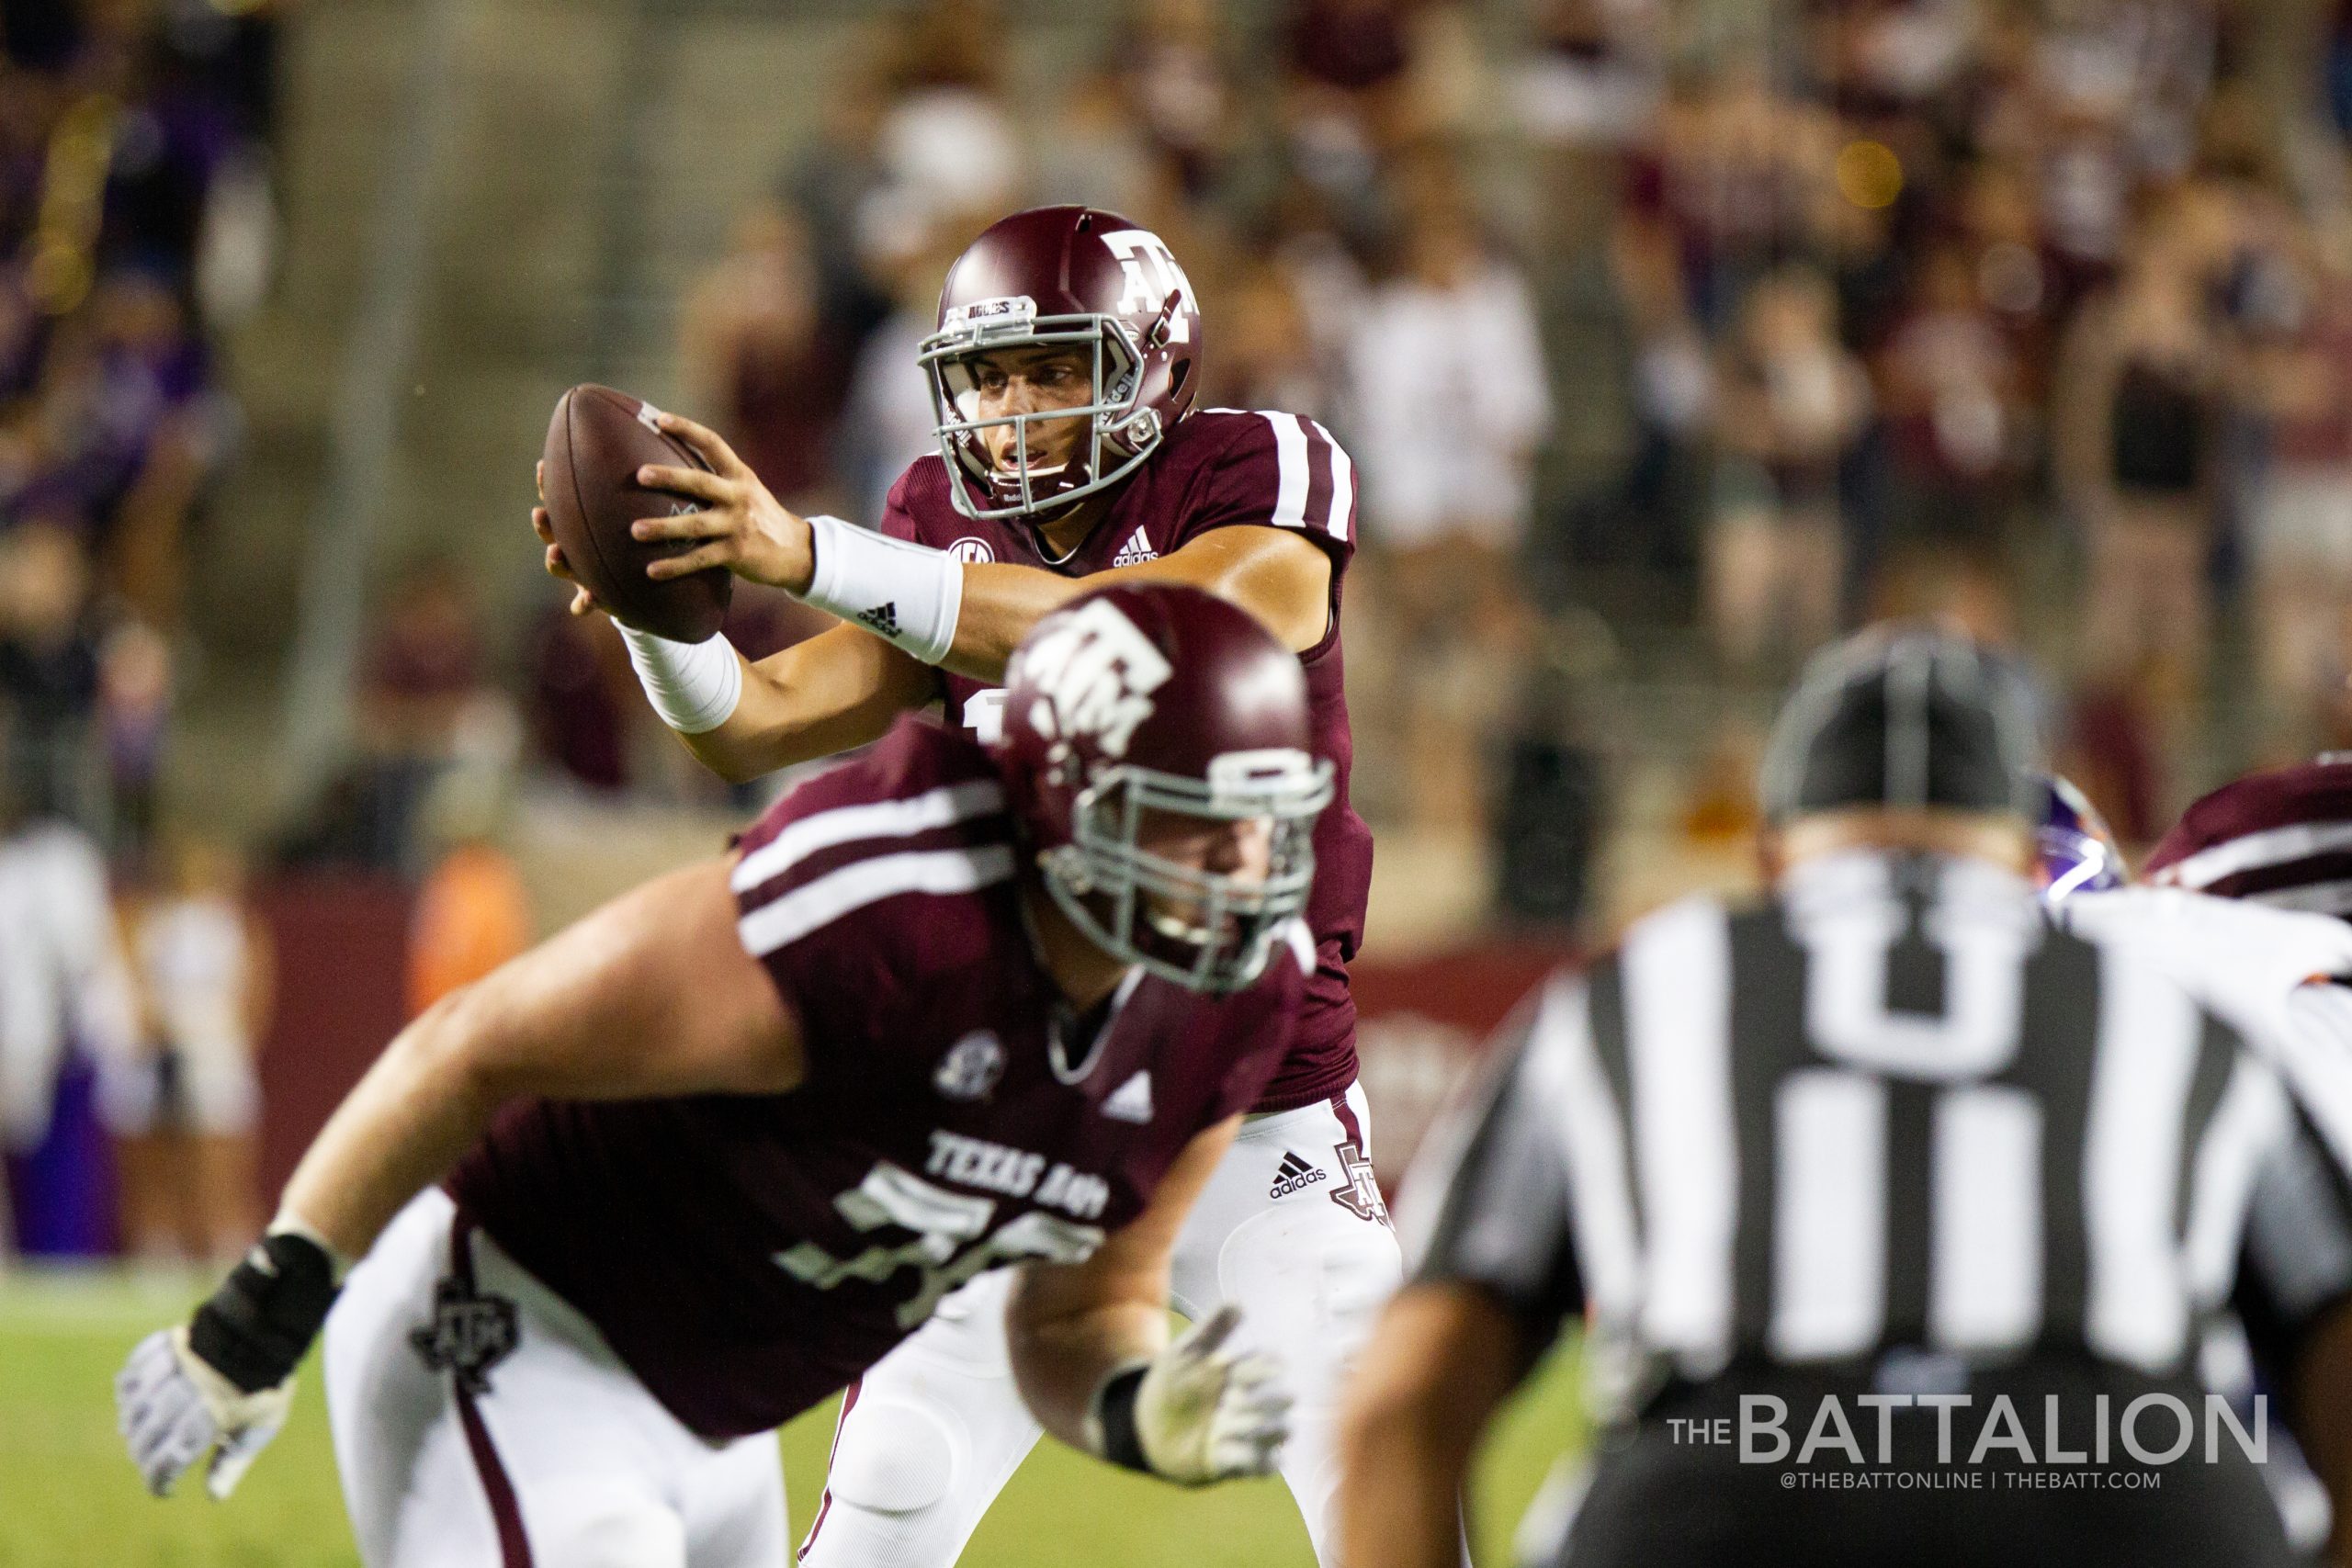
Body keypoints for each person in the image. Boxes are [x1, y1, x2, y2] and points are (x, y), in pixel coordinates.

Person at [116, 584, 1327, 1568]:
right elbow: (476, 1040)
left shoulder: (1237, 995)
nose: (1244, 863)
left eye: (1267, 820)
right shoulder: (887, 908)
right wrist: (258, 1313)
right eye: (1193, 818)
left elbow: (1076, 1313)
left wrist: (1132, 1402)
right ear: (1071, 800)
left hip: (720, 1409)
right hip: (523, 1325)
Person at [531, 203, 1398, 1568]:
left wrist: (807, 553)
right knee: (885, 1503)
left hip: (1260, 1123)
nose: (1015, 407)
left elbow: (1181, 623)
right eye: (989, 374)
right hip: (1014, 1122)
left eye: (1056, 367)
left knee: (1388, 1501)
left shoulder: (1259, 466)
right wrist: (655, 612)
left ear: (1154, 367)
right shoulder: (937, 522)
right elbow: (749, 719)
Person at [1338, 625, 2352, 1568]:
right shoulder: (2169, 1009)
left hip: (1726, 1479)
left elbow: (1400, 1407)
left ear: (1770, 858)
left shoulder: (1639, 991)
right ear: (2022, 860)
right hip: (2125, 1481)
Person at [103, 830, 271, 1265]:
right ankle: (160, 1250)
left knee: (220, 1158)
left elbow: (253, 997)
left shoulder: (233, 925)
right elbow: (134, 983)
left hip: (213, 1051)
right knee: (156, 1156)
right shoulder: (152, 922)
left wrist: (223, 1040)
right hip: (160, 1051)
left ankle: (228, 1248)